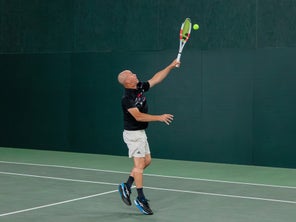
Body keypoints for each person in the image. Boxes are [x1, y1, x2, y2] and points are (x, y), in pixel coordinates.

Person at [117, 59, 180, 215]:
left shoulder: (139, 87)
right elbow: (138, 116)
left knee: (147, 161)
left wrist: (170, 66)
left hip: (141, 133)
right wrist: (159, 117)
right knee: (139, 166)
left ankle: (126, 185)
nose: (135, 74)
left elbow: (155, 79)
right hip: (133, 135)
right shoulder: (127, 99)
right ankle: (141, 198)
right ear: (127, 82)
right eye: (131, 74)